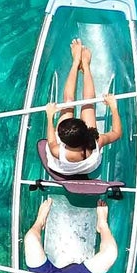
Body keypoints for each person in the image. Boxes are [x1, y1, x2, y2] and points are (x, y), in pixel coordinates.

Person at [44, 39, 122, 177]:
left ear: (62, 140)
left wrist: (50, 117)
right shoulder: (96, 142)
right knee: (88, 103)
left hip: (63, 168)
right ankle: (85, 65)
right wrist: (113, 107)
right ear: (86, 131)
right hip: (88, 167)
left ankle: (75, 63)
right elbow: (116, 133)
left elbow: (51, 140)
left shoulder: (57, 151)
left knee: (68, 103)